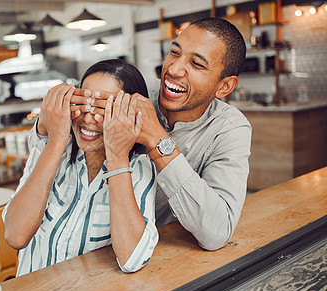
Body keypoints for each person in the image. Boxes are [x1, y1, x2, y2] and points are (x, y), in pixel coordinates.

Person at [71, 18, 252, 251]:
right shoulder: (134, 90)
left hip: (151, 256)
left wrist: (158, 140)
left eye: (196, 64)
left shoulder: (230, 129)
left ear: (224, 86)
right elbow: (66, 134)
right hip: (84, 244)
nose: (173, 69)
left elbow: (216, 233)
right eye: (174, 53)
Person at [3, 59, 158, 276]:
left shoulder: (140, 168)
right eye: (83, 104)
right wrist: (57, 138)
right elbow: (15, 235)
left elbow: (132, 259)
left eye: (105, 109)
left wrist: (116, 153)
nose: (89, 118)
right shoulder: (54, 149)